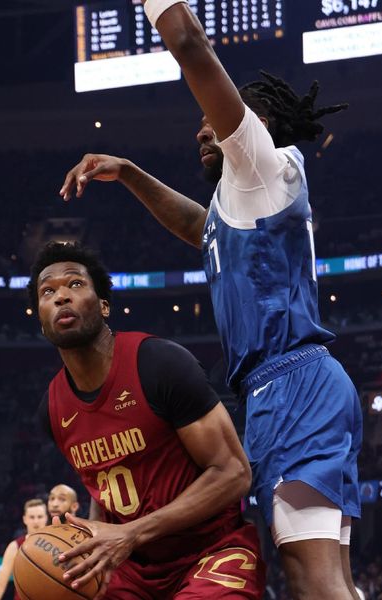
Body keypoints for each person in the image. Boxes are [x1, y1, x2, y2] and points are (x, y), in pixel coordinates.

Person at [58, 3, 361, 598]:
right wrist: (131, 173)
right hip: (287, 390)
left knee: (312, 579)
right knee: (328, 581)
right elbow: (200, 226)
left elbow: (191, 44)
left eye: (211, 120)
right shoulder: (241, 202)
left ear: (255, 124)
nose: (201, 129)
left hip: (294, 386)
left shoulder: (257, 162)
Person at [29, 241, 264, 599]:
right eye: (48, 291)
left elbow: (234, 473)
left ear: (104, 306)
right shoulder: (52, 409)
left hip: (212, 551)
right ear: (42, 320)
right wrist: (97, 540)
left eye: (75, 284)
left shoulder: (159, 363)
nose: (61, 296)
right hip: (130, 565)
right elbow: (102, 490)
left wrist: (133, 532)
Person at [0, 498, 48, 600]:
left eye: (40, 517)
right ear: (25, 519)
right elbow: (0, 583)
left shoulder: (56, 544)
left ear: (46, 518)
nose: (36, 521)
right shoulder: (14, 547)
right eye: (32, 517)